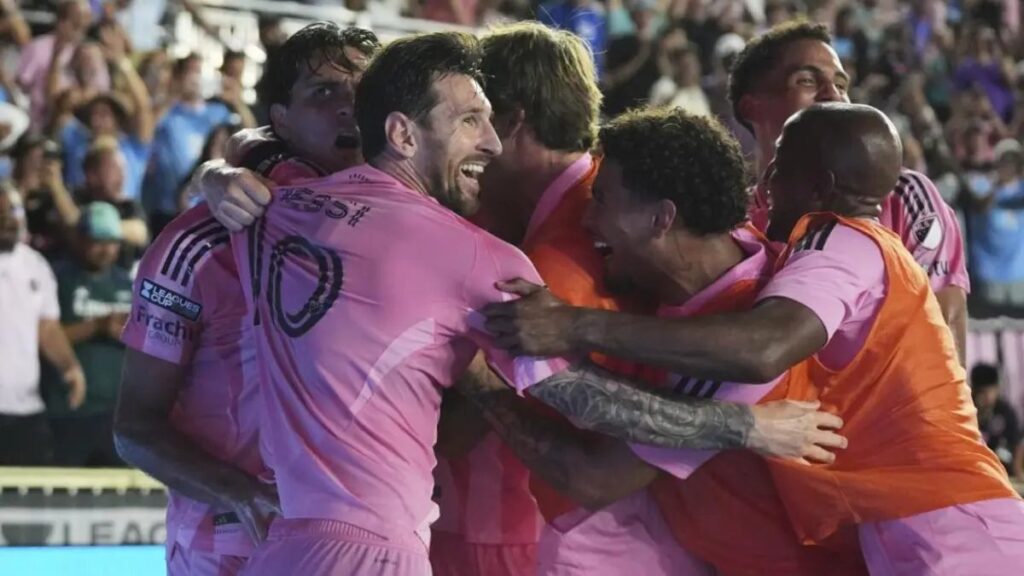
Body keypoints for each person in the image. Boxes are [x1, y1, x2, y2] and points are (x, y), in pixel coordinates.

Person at [228, 31, 841, 576]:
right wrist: (744, 427)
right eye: (470, 120)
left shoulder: (275, 207)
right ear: (402, 133)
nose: (492, 142)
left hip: (286, 541)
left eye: (490, 119)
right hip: (377, 551)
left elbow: (255, 156)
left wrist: (231, 163)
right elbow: (587, 401)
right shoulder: (476, 257)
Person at [485, 102, 1024, 573]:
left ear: (662, 219)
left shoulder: (829, 255)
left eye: (602, 199)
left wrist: (541, 342)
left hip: (952, 533)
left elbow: (596, 474)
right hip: (904, 537)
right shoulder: (763, 265)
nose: (764, 183)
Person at [114, 23, 380, 576]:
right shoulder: (198, 244)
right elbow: (134, 427)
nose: (349, 105)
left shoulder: (405, 237)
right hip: (230, 550)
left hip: (362, 542)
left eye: (362, 87)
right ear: (280, 119)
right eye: (324, 91)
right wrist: (244, 495)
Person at [730, 20, 971, 364]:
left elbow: (944, 343)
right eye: (807, 81)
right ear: (751, 107)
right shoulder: (733, 218)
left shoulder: (903, 196)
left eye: (841, 83)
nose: (833, 94)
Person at [0, 185, 86, 465]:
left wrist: (69, 366)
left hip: (26, 411)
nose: (7, 219)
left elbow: (47, 328)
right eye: (0, 212)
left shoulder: (35, 265)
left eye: (13, 210)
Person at [46, 202, 131, 467]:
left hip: (118, 413)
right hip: (69, 410)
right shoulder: (57, 278)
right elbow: (43, 335)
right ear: (80, 238)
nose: (106, 250)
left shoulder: (128, 283)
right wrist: (96, 326)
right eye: (98, 241)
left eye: (112, 242)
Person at [972, 363, 1024, 479]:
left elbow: (1017, 442)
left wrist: (1017, 470)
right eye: (983, 392)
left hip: (1004, 471)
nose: (988, 397)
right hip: (977, 471)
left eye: (991, 391)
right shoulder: (968, 411)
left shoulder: (1005, 412)